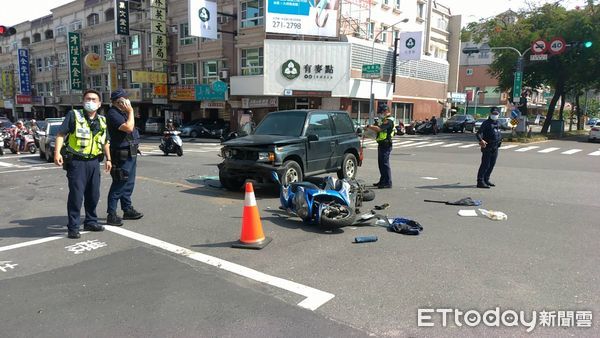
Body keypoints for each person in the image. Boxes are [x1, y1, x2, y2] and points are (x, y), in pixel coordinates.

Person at [54, 89, 112, 239]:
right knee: (76, 195)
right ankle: (73, 227)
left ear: (99, 104)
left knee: (93, 194)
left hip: (94, 161)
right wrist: (57, 153)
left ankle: (91, 221)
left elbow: (105, 142)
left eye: (94, 100)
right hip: (77, 161)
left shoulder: (102, 120)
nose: (90, 102)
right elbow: (61, 134)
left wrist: (109, 159)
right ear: (83, 102)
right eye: (87, 99)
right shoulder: (74, 115)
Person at [105, 88, 143, 226]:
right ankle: (112, 213)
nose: (128, 102)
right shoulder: (113, 114)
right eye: (125, 99)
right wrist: (131, 111)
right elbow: (128, 128)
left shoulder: (123, 113)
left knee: (129, 183)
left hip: (131, 152)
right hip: (121, 155)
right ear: (118, 102)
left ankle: (127, 209)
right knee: (120, 182)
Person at [366, 105, 395, 189]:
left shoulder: (389, 121)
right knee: (381, 164)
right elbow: (378, 129)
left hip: (386, 144)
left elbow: (379, 129)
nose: (380, 114)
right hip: (382, 144)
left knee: (385, 164)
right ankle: (382, 181)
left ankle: (388, 182)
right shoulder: (384, 120)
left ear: (385, 111)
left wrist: (370, 127)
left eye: (381, 112)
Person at [476, 107, 503, 189]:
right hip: (487, 146)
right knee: (485, 164)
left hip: (495, 146)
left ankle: (486, 179)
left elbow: (501, 130)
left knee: (492, 164)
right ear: (490, 114)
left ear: (498, 115)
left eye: (496, 114)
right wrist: (481, 140)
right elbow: (478, 133)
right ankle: (480, 181)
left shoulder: (498, 123)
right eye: (493, 114)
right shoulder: (486, 123)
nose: (495, 115)